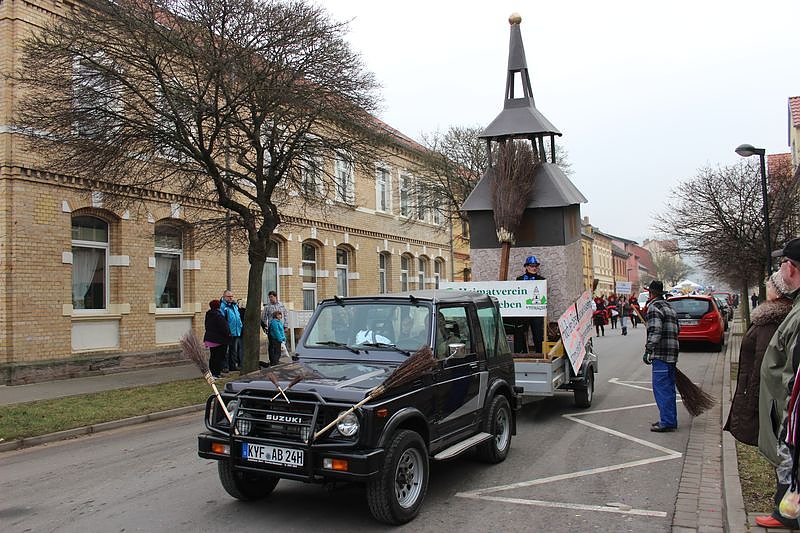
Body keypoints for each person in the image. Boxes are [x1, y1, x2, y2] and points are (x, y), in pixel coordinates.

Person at [756, 238, 800, 529]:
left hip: (790, 412)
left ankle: (788, 514)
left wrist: (787, 414)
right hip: (785, 409)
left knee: (791, 468)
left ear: (792, 268)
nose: (780, 269)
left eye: (783, 262)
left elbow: (794, 373)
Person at [724, 272, 793, 446]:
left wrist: (753, 403)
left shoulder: (771, 321)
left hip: (763, 397)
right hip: (761, 394)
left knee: (770, 443)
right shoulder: (774, 316)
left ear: (778, 291)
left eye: (769, 286)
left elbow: (763, 364)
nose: (766, 288)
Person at [641, 280, 681, 432]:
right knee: (669, 389)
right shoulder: (670, 307)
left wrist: (648, 349)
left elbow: (655, 330)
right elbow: (679, 329)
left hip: (661, 354)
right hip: (672, 353)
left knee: (661, 389)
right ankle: (670, 419)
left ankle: (666, 422)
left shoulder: (654, 308)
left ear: (651, 294)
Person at [514, 256, 545, 353]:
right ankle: (521, 353)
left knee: (538, 334)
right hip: (524, 311)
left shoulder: (542, 280)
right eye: (532, 266)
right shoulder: (519, 279)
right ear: (526, 267)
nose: (534, 268)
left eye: (535, 266)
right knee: (521, 333)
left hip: (536, 311)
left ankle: (539, 353)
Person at [203, 299, 230, 378]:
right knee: (219, 357)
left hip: (211, 339)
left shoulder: (209, 315)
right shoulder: (218, 315)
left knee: (213, 356)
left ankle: (212, 372)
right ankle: (216, 373)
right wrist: (228, 334)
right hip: (219, 340)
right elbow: (224, 327)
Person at [220, 290, 243, 372]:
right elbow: (222, 320)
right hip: (228, 332)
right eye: (229, 296)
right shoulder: (223, 306)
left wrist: (240, 327)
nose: (231, 298)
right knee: (225, 351)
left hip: (236, 331)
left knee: (234, 350)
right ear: (224, 297)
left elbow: (238, 317)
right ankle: (225, 367)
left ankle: (233, 366)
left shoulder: (234, 306)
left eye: (232, 296)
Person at [261, 290, 288, 355]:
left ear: (275, 297)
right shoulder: (267, 306)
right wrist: (265, 326)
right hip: (272, 328)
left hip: (280, 327)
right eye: (269, 297)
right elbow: (264, 317)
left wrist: (286, 325)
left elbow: (285, 315)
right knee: (272, 344)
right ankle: (273, 360)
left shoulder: (281, 305)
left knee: (279, 343)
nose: (270, 298)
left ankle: (277, 358)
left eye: (271, 297)